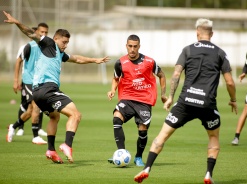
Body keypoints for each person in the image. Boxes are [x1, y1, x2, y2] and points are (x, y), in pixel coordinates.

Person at [134, 18, 237, 184]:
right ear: (212, 33)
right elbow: (230, 82)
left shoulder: (187, 50)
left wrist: (171, 98)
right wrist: (233, 99)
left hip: (185, 102)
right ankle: (208, 174)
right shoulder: (220, 53)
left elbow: (176, 75)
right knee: (213, 137)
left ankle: (147, 168)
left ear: (197, 33)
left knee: (162, 135)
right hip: (207, 104)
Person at [4, 11, 110, 163]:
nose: (65, 45)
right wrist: (17, 22)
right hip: (48, 90)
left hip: (38, 93)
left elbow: (77, 59)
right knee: (76, 115)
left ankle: (51, 150)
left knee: (55, 116)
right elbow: (30, 33)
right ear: (55, 39)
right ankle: (67, 145)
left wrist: (95, 60)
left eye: (67, 43)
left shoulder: (59, 53)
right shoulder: (48, 43)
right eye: (63, 42)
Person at [107, 34, 167, 166]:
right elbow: (116, 78)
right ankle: (121, 153)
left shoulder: (149, 62)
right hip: (127, 98)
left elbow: (162, 75)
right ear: (126, 46)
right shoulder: (120, 62)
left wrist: (163, 94)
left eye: (135, 46)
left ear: (139, 46)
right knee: (117, 117)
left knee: (143, 130)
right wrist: (112, 90)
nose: (132, 49)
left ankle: (138, 157)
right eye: (130, 46)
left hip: (144, 100)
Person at [8, 24, 48, 145]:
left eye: (46, 32)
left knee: (30, 111)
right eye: (42, 32)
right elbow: (18, 60)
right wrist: (16, 80)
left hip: (40, 82)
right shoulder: (29, 46)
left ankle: (13, 127)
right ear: (36, 32)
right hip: (29, 81)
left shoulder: (47, 47)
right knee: (36, 105)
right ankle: (35, 136)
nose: (44, 35)